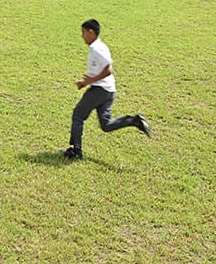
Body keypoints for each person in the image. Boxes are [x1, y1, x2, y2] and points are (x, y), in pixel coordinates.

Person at [62, 19, 152, 160]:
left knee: (78, 115)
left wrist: (88, 82)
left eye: (83, 32)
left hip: (99, 90)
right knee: (106, 125)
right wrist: (87, 80)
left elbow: (109, 69)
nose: (82, 36)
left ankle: (76, 150)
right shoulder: (99, 46)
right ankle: (133, 121)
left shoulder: (97, 50)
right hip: (109, 90)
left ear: (91, 32)